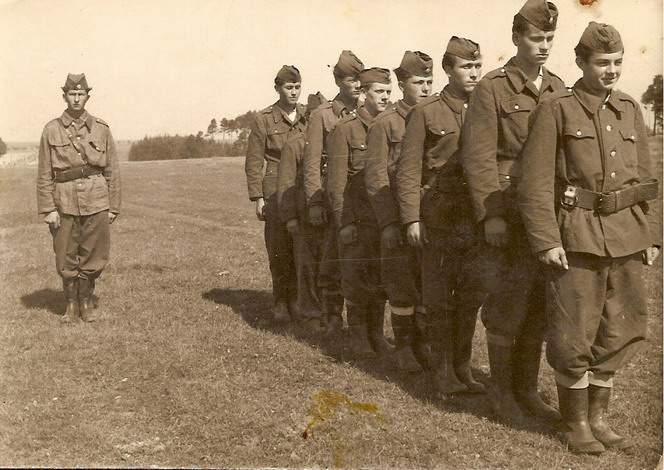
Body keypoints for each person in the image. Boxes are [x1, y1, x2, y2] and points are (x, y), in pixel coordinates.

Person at [518, 22, 660, 454]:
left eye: (617, 62)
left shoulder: (629, 108)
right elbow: (535, 182)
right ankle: (576, 421)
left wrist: (652, 235)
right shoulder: (557, 108)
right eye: (603, 63)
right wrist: (545, 240)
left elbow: (647, 179)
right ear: (581, 63)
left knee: (622, 326)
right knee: (572, 330)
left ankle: (599, 416)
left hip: (627, 235)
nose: (612, 70)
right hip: (576, 235)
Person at [460, 0, 566, 422]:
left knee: (540, 305)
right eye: (536, 38)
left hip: (546, 215)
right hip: (507, 213)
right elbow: (479, 157)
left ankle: (526, 390)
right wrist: (492, 216)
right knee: (508, 303)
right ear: (517, 39)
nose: (543, 46)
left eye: (549, 39)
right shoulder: (492, 88)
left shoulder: (558, 86)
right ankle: (502, 396)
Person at [396, 38, 487, 394]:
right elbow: (407, 171)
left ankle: (463, 368)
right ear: (448, 70)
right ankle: (443, 371)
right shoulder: (426, 112)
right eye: (466, 67)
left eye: (477, 66)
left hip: (474, 219)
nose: (474, 73)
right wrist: (411, 219)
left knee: (469, 297)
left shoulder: (486, 107)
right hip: (439, 217)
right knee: (439, 299)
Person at [363, 51, 434, 372]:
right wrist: (390, 223)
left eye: (430, 82)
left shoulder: (434, 116)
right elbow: (376, 176)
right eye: (419, 82)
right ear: (403, 84)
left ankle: (424, 344)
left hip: (429, 217)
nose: (426, 88)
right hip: (396, 215)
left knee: (427, 284)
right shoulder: (386, 123)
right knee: (402, 286)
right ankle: (405, 347)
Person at [36, 73, 120, 323]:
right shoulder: (51, 129)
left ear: (87, 96)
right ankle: (71, 304)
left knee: (94, 254)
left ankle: (86, 301)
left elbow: (112, 169)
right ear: (64, 96)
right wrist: (48, 209)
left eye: (80, 94)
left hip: (97, 199)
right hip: (63, 202)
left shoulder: (101, 129)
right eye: (71, 94)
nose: (76, 99)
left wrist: (113, 206)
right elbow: (43, 173)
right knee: (65, 254)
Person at [326, 67, 392, 357]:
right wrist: (344, 222)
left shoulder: (390, 125)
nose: (385, 97)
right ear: (363, 94)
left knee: (380, 278)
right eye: (379, 92)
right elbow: (337, 183)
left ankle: (376, 334)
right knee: (355, 278)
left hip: (383, 218)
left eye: (389, 92)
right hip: (357, 218)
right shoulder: (345, 129)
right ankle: (358, 336)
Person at [302, 51, 364, 334]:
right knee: (332, 257)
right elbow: (312, 162)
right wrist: (315, 202)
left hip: (361, 198)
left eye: (360, 80)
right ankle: (331, 316)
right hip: (332, 197)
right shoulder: (322, 115)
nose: (357, 85)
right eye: (352, 80)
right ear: (338, 81)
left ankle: (360, 320)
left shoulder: (368, 110)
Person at [245, 65, 307, 322]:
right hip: (275, 190)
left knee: (301, 248)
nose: (293, 92)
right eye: (288, 88)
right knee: (279, 248)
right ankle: (281, 301)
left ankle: (299, 300)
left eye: (296, 87)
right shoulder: (264, 119)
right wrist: (257, 197)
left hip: (301, 189)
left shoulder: (307, 115)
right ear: (277, 89)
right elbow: (253, 160)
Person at [277, 92, 328, 332]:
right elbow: (286, 184)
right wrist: (290, 219)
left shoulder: (331, 142)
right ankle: (310, 314)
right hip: (303, 217)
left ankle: (328, 313)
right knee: (306, 266)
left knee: (327, 266)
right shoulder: (294, 145)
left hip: (326, 217)